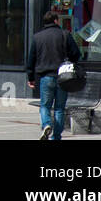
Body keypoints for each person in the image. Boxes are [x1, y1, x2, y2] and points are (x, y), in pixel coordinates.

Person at [28, 11, 83, 140]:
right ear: (56, 21)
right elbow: (76, 54)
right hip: (63, 77)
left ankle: (47, 124)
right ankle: (56, 136)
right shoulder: (65, 35)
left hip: (46, 76)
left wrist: (31, 77)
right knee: (59, 108)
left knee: (45, 105)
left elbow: (31, 59)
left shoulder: (37, 37)